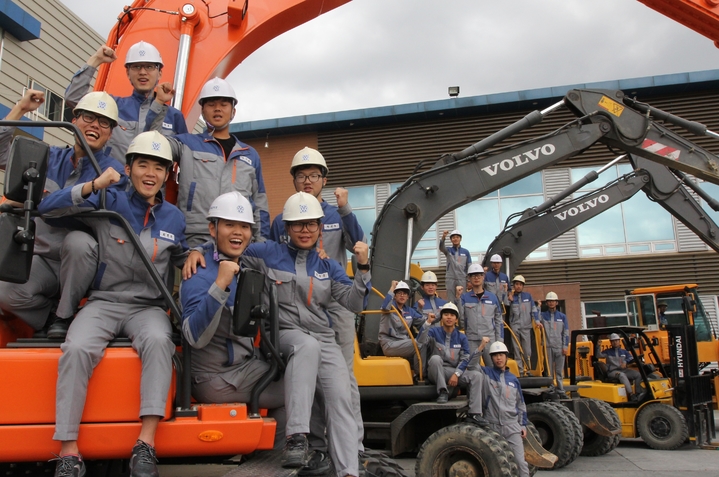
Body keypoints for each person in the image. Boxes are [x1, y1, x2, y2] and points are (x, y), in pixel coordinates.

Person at [38, 131, 188, 477]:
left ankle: (145, 445)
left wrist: (194, 255)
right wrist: (93, 185)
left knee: (160, 341)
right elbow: (47, 209)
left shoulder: (174, 218)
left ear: (167, 175)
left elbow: (181, 256)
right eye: (143, 165)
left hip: (148, 308)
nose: (151, 174)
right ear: (128, 168)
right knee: (76, 348)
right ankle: (68, 451)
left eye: (159, 168)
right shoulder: (109, 198)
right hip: (104, 302)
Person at [240, 191, 370, 477]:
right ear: (287, 228)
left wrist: (363, 268)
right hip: (283, 334)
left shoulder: (328, 266)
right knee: (305, 345)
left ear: (320, 228)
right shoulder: (266, 253)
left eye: (311, 224)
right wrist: (200, 252)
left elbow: (355, 304)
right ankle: (296, 438)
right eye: (298, 224)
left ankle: (348, 471)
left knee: (341, 398)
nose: (305, 230)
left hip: (323, 338)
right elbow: (231, 251)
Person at [269, 146, 366, 473]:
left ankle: (354, 446)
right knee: (305, 369)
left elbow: (358, 243)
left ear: (324, 179)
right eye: (301, 175)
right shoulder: (282, 219)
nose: (307, 180)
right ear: (294, 180)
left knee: (342, 377)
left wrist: (346, 208)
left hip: (335, 300)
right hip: (297, 303)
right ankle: (316, 445)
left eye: (313, 175)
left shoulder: (336, 214)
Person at [0, 89, 127, 340]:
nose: (95, 125)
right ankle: (49, 315)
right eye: (88, 117)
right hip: (43, 259)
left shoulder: (113, 173)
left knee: (78, 241)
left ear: (110, 134)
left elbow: (62, 207)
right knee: (4, 292)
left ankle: (64, 316)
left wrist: (43, 200)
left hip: (85, 264)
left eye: (104, 122)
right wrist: (20, 109)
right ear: (74, 121)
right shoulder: (48, 157)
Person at [179, 192, 285, 448]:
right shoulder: (199, 274)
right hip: (216, 378)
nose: (238, 232)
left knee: (299, 372)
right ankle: (282, 455)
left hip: (242, 367)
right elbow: (193, 337)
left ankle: (274, 451)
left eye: (245, 226)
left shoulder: (240, 263)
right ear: (212, 229)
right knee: (301, 388)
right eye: (229, 224)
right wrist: (220, 285)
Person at [152, 77, 269, 245]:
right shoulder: (186, 144)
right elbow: (152, 144)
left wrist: (262, 244)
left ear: (233, 111)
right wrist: (158, 104)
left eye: (224, 104)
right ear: (202, 111)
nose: (217, 109)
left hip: (238, 241)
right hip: (195, 237)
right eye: (211, 104)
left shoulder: (250, 155)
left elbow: (260, 203)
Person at [65, 42, 188, 161]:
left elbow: (186, 156)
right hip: (109, 175)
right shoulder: (112, 105)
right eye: (136, 67)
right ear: (128, 73)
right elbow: (74, 98)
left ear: (159, 73)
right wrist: (95, 60)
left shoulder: (174, 116)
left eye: (149, 67)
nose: (142, 72)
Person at [417, 303, 488, 427]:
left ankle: (474, 414)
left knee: (477, 375)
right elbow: (420, 341)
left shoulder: (462, 337)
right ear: (442, 317)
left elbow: (465, 358)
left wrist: (456, 374)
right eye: (446, 314)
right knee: (435, 359)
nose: (449, 317)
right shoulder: (433, 331)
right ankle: (442, 391)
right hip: (436, 371)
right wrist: (428, 323)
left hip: (453, 372)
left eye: (452, 315)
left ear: (456, 319)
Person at [469, 341, 529, 477]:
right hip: (492, 426)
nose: (498, 358)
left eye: (501, 355)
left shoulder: (513, 379)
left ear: (506, 357)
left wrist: (523, 425)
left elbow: (520, 404)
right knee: (494, 465)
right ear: (491, 358)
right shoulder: (486, 373)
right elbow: (471, 365)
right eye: (495, 355)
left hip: (512, 427)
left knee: (520, 463)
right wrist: (481, 347)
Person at [379, 280, 427, 374]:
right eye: (399, 293)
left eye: (405, 293)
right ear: (395, 295)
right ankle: (419, 375)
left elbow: (423, 321)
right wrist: (392, 288)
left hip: (403, 343)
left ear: (408, 297)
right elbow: (384, 306)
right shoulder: (390, 307)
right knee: (420, 344)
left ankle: (420, 372)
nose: (402, 295)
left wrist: (420, 309)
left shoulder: (409, 311)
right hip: (390, 344)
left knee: (426, 340)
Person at [458, 263, 503, 365]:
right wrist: (458, 299)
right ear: (469, 278)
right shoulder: (464, 298)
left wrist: (499, 340)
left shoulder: (492, 297)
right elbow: (461, 320)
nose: (476, 278)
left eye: (479, 275)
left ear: (483, 276)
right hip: (471, 340)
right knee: (472, 369)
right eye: (473, 275)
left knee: (492, 367)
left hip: (489, 340)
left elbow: (499, 320)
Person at [596, 333, 644, 401]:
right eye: (613, 341)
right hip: (612, 371)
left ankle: (638, 393)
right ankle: (631, 394)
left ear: (619, 341)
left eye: (616, 340)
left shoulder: (624, 352)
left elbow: (630, 357)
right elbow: (598, 355)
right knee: (622, 375)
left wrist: (625, 362)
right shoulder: (608, 352)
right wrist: (598, 346)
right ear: (611, 342)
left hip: (624, 370)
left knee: (638, 374)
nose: (615, 342)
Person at [537, 291, 569, 393]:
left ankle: (560, 389)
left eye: (553, 301)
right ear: (546, 303)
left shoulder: (562, 317)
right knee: (549, 371)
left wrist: (565, 346)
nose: (551, 303)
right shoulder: (543, 315)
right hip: (547, 347)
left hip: (559, 347)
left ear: (557, 302)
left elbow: (566, 332)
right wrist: (538, 307)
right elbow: (536, 318)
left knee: (559, 370)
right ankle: (551, 389)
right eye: (549, 301)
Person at [507, 275, 538, 376]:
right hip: (515, 327)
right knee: (516, 349)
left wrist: (537, 321)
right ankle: (520, 370)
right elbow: (504, 305)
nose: (518, 286)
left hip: (526, 327)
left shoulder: (528, 296)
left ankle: (528, 370)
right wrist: (509, 298)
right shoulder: (511, 297)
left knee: (527, 350)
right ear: (514, 285)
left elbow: (533, 309)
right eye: (516, 284)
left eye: (520, 284)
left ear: (523, 286)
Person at [439, 229, 471, 305]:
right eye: (453, 237)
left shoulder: (466, 252)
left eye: (457, 237)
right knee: (451, 299)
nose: (455, 239)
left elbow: (469, 266)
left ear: (460, 239)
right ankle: (452, 312)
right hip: (450, 278)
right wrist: (443, 237)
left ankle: (461, 313)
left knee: (462, 298)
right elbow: (441, 248)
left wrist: (469, 280)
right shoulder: (448, 250)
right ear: (451, 240)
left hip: (462, 278)